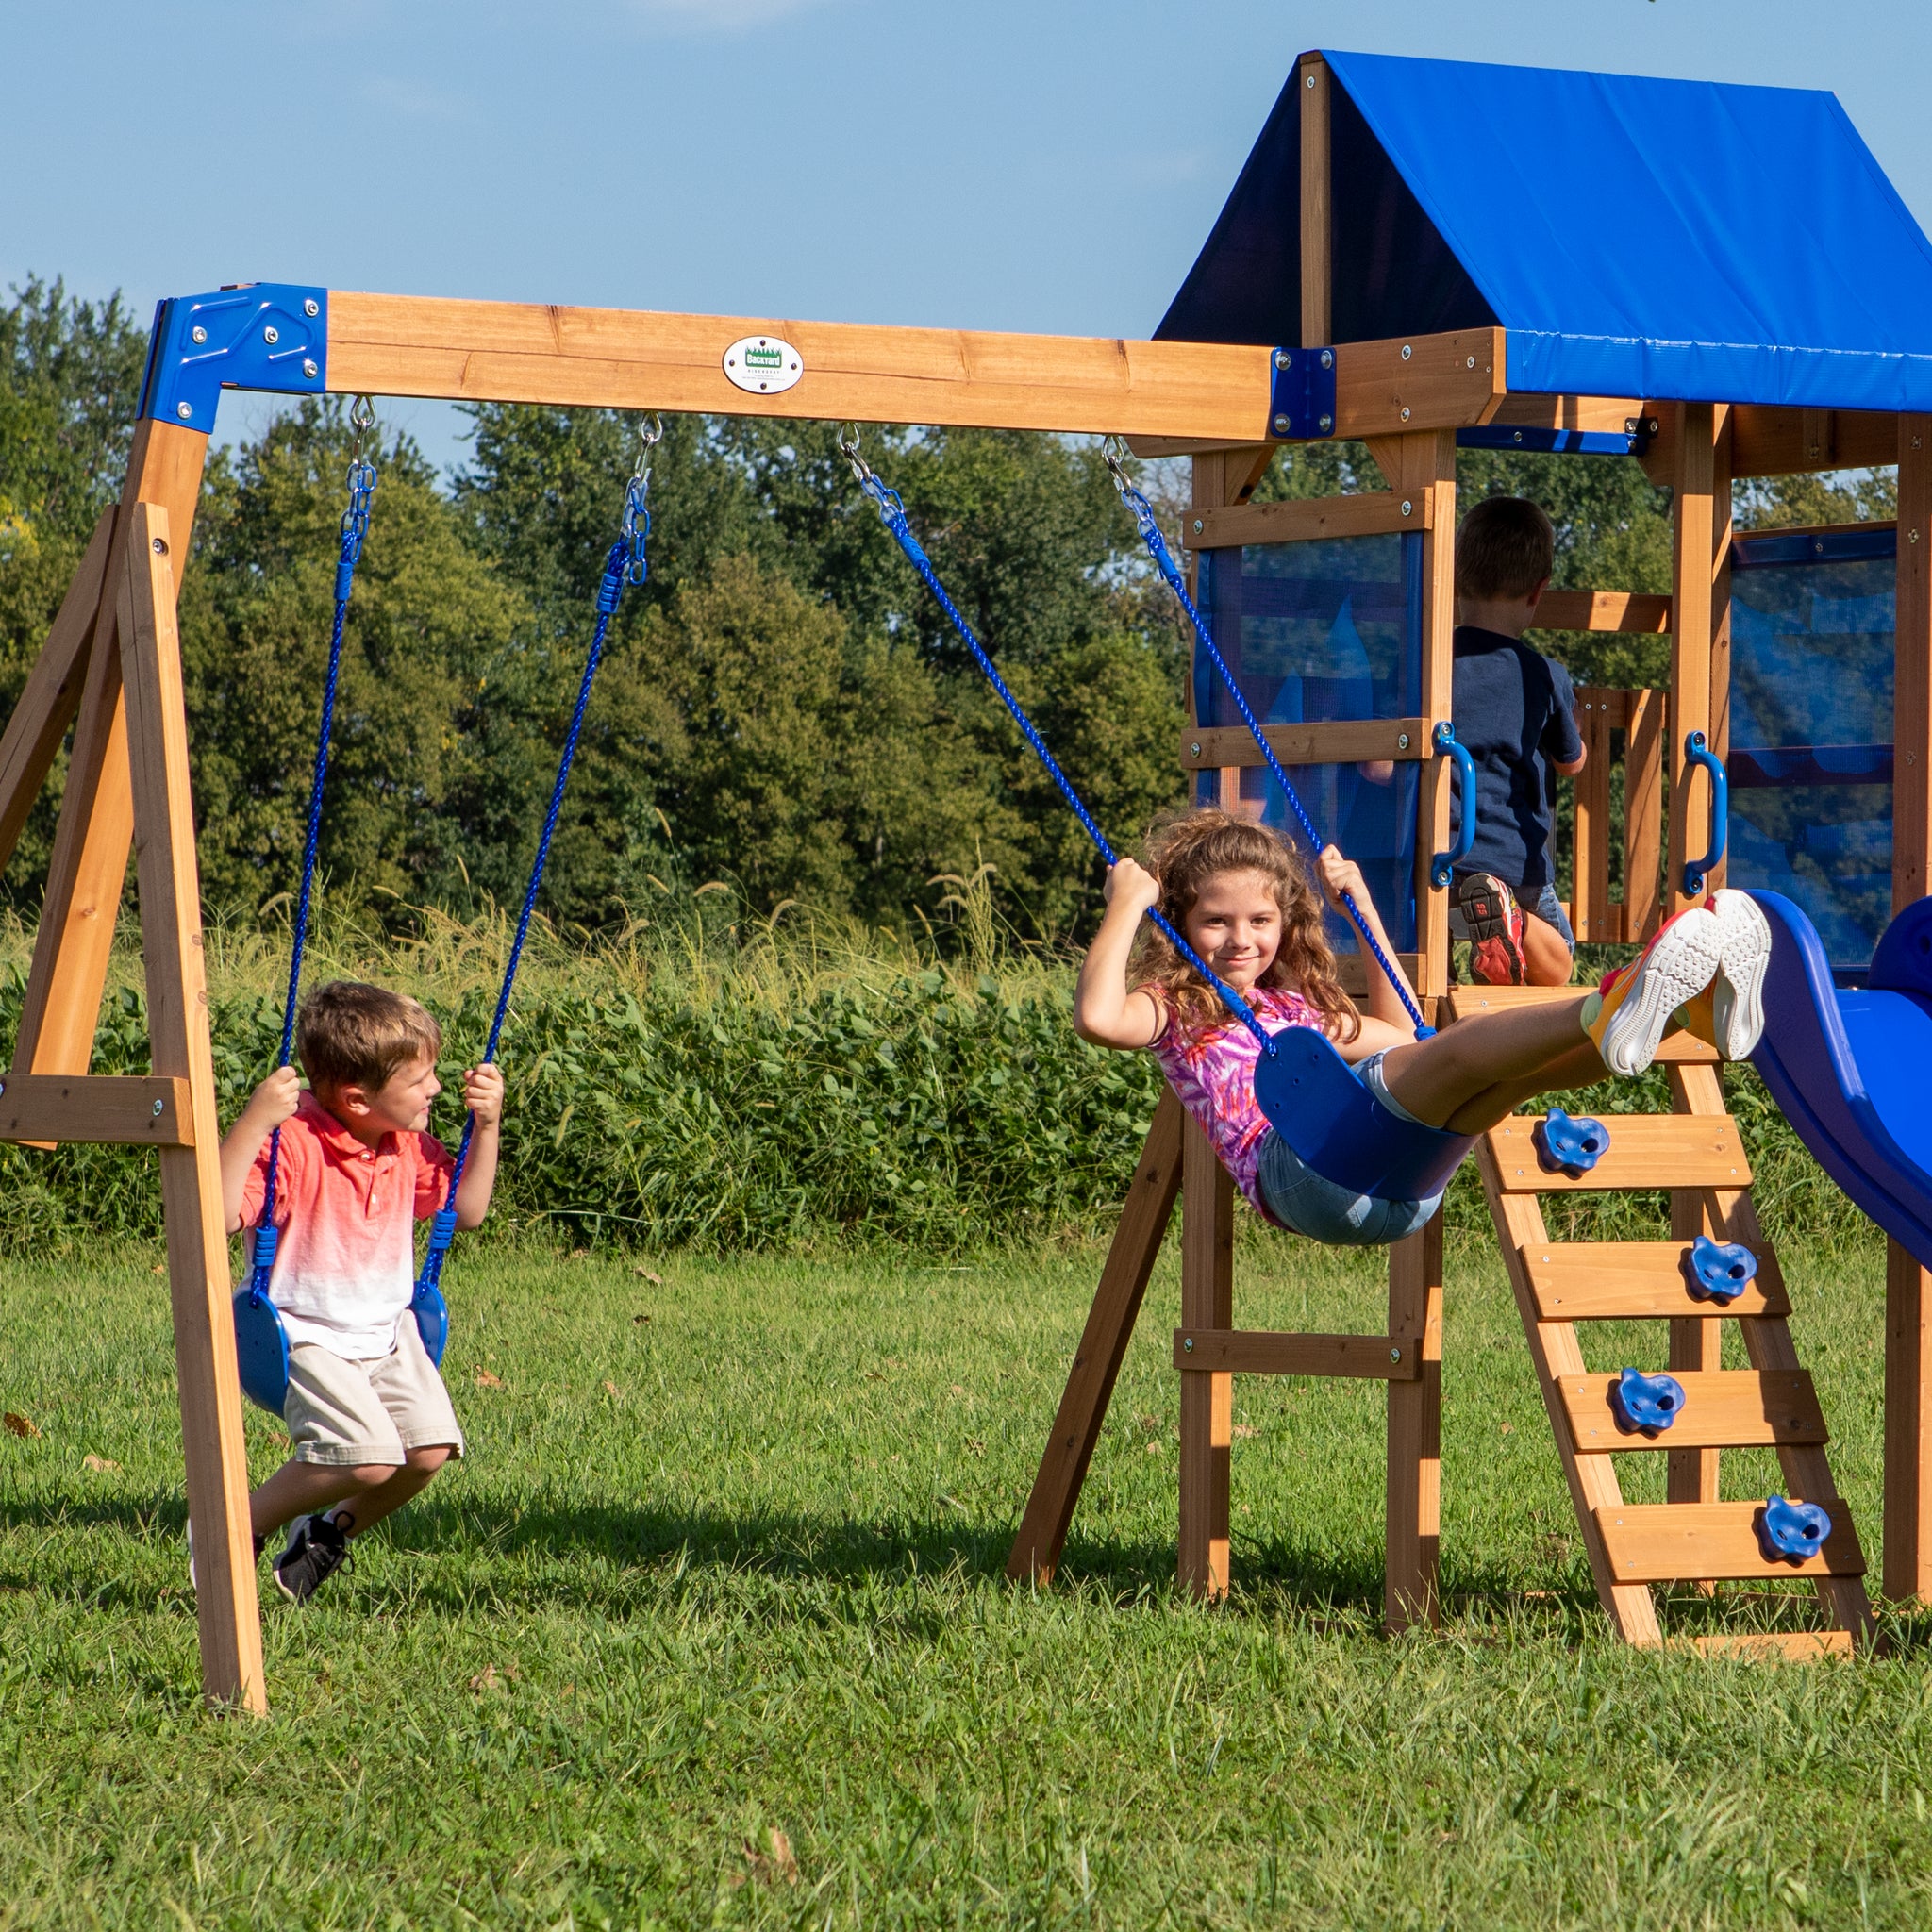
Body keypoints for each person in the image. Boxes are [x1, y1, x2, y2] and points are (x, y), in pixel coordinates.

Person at [1073, 809, 1769, 1246]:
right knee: (1463, 1055)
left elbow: (1408, 1039)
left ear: (1284, 924)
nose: (1239, 940)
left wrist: (1366, 913)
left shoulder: (1296, 1013)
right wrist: (1128, 906)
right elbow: (1099, 1018)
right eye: (1215, 922)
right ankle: (1615, 1000)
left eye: (1260, 921)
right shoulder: (1180, 1010)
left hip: (1402, 1197)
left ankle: (1681, 1014)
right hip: (1303, 1178)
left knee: (1498, 1085)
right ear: (1183, 926)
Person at [212, 981, 505, 1604]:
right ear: (357, 1097)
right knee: (368, 1458)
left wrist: (488, 1123)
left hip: (386, 1332)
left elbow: (470, 1209)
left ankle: (322, 1534)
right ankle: (232, 1528)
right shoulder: (293, 1144)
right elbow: (213, 1213)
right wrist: (257, 1118)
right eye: (419, 1079)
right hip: (304, 1334)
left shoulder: (407, 1146)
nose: (435, 1089)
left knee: (427, 1450)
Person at [1450, 495, 1587, 986]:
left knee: (1434, 939)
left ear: (1456, 576)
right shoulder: (1543, 676)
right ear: (1538, 591)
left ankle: (1477, 951)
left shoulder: (1425, 667)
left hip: (1433, 864)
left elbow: (1380, 766)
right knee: (1562, 958)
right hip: (1512, 865)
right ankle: (1516, 922)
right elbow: (1570, 763)